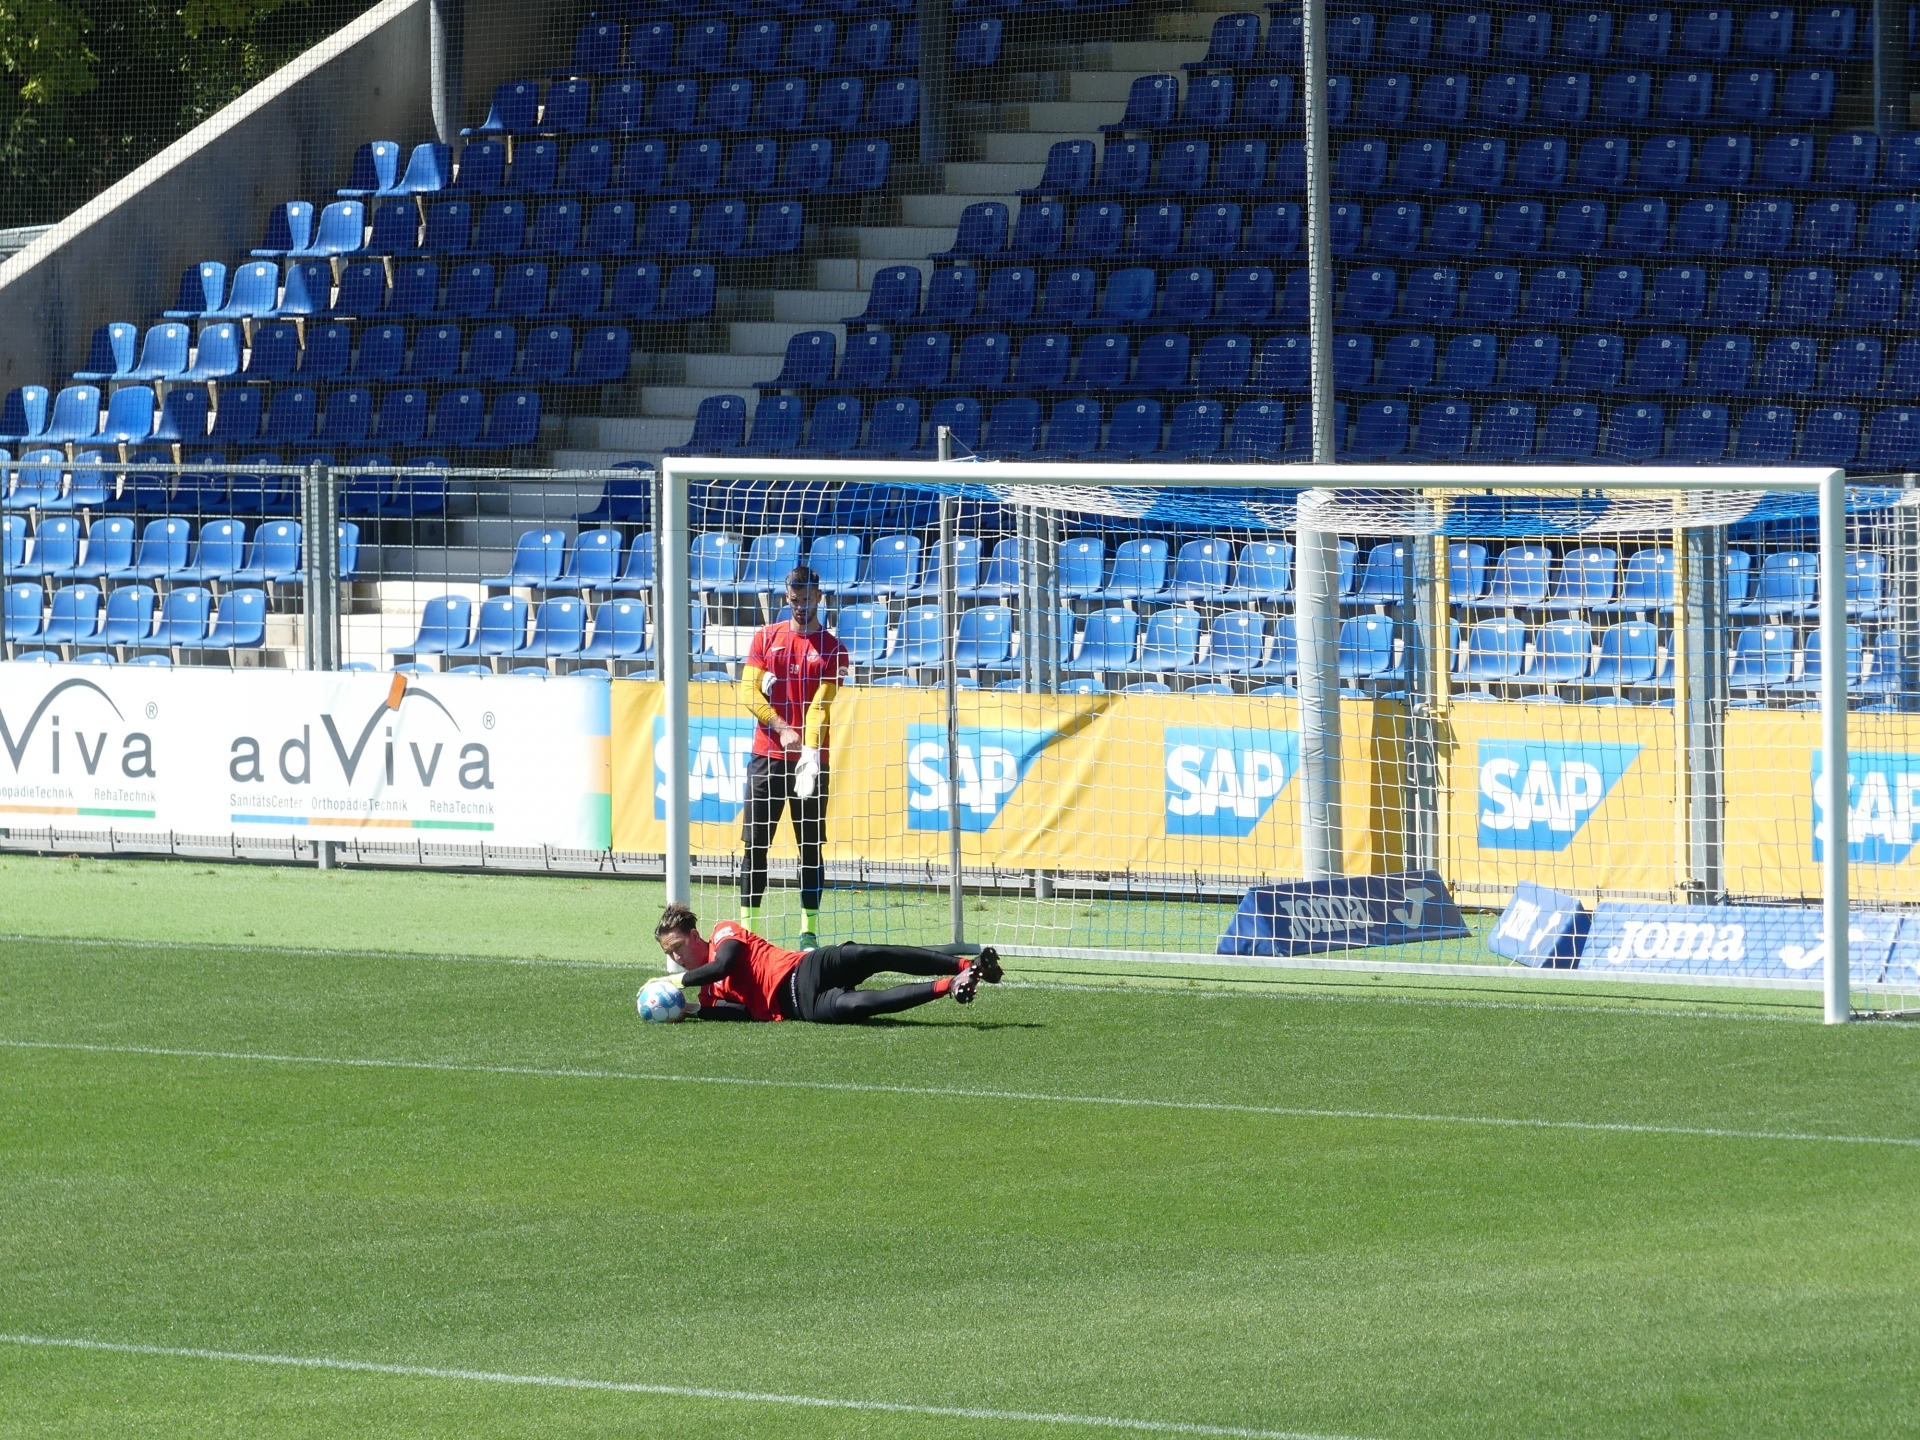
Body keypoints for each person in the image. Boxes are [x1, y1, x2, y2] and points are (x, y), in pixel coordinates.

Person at [738, 565, 848, 950]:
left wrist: (809, 749)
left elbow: (822, 705)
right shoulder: (766, 638)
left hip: (810, 761)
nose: (801, 606)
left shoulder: (834, 649)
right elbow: (747, 692)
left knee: (810, 848)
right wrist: (781, 727)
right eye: (795, 599)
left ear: (819, 596)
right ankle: (748, 931)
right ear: (787, 597)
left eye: (808, 599)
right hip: (766, 757)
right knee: (755, 847)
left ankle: (808, 932)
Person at [654, 903, 1003, 1023]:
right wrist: (691, 1009)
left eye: (678, 947)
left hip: (805, 967)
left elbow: (724, 966)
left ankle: (964, 965)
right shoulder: (707, 996)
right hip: (801, 1006)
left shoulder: (723, 933)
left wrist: (675, 982)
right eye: (670, 954)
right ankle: (950, 985)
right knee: (860, 1005)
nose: (676, 958)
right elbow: (743, 1013)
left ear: (694, 935)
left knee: (869, 954)